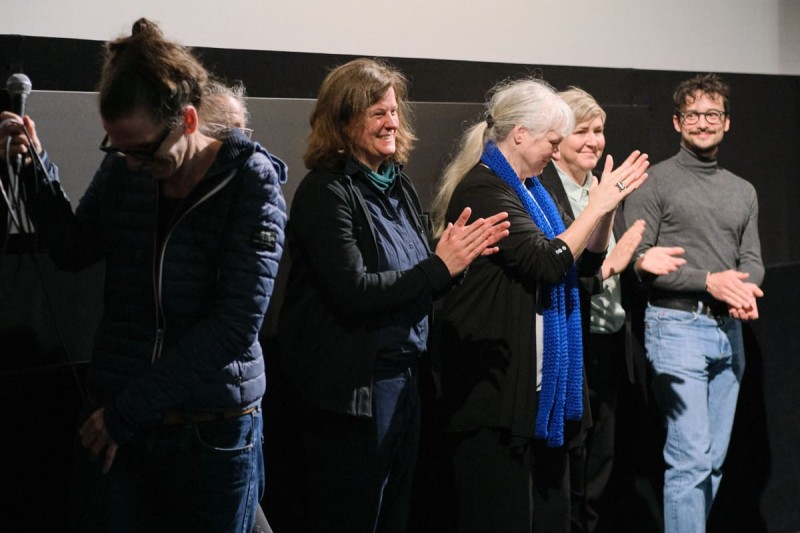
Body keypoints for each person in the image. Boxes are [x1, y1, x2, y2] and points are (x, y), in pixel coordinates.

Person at [0, 18, 287, 532]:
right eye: (118, 148)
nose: (130, 164)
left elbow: (235, 326)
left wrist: (124, 412)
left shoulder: (252, 183)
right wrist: (34, 167)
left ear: (190, 121)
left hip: (211, 433)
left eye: (143, 150)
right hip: (123, 428)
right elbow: (72, 248)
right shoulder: (127, 167)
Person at [276, 58, 509, 533]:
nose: (391, 122)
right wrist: (439, 267)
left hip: (406, 382)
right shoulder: (327, 191)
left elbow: (421, 274)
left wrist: (455, 265)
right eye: (376, 113)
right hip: (354, 393)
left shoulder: (396, 184)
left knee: (396, 516)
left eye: (394, 110)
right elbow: (354, 290)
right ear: (341, 121)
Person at [429, 77, 649, 533]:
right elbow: (546, 262)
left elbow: (583, 266)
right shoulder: (485, 189)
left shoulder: (531, 191)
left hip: (535, 395)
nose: (556, 150)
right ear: (520, 134)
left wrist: (604, 207)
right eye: (553, 141)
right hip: (493, 393)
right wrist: (596, 204)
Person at [539, 87, 685, 532]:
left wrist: (636, 261)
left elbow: (618, 257)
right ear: (556, 140)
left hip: (609, 344)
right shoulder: (544, 194)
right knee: (568, 469)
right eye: (580, 131)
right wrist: (610, 266)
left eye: (598, 130)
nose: (592, 140)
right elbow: (562, 269)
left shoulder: (605, 189)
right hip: (569, 344)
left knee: (600, 469)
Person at [624, 73, 764, 533]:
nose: (703, 123)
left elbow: (752, 259)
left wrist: (743, 290)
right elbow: (637, 261)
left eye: (712, 114)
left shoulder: (743, 190)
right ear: (676, 122)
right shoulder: (654, 182)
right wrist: (710, 281)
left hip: (729, 332)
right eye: (693, 114)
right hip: (675, 327)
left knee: (713, 462)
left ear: (727, 123)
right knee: (690, 461)